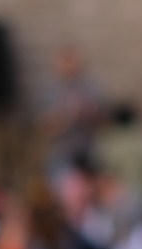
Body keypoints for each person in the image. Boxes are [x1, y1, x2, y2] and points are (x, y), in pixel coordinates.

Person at [39, 47, 106, 179]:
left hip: (89, 149)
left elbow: (104, 122)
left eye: (72, 61)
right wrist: (64, 115)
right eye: (65, 62)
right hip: (62, 152)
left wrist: (88, 113)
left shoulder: (91, 89)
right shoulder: (49, 92)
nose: (69, 67)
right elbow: (44, 127)